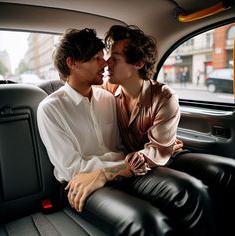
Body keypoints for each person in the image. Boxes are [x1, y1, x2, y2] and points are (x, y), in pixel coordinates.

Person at [37, 28, 215, 236]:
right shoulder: (51, 109)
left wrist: (160, 148)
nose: (104, 64)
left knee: (191, 192)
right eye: (97, 58)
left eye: (108, 58)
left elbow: (123, 147)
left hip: (121, 173)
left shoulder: (107, 98)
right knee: (147, 222)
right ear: (72, 63)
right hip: (81, 184)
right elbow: (73, 169)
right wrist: (122, 164)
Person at [104, 24, 235, 236]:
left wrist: (132, 161)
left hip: (165, 154)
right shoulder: (107, 92)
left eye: (115, 57)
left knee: (228, 171)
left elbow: (158, 151)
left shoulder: (164, 96)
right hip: (138, 162)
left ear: (138, 63)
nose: (107, 63)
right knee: (192, 191)